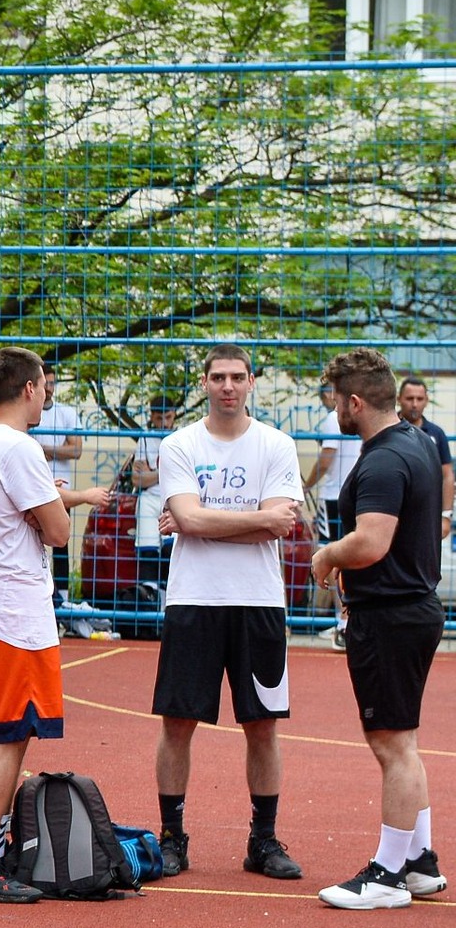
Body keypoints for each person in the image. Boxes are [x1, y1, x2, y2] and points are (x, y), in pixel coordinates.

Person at [0, 347, 102, 903]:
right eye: (46, 388)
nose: (47, 397)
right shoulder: (19, 448)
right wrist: (48, 513)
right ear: (30, 388)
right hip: (16, 603)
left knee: (2, 731)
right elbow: (59, 532)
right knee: (8, 736)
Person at [151, 343, 305, 881]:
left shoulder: (277, 445)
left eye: (238, 377)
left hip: (258, 601)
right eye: (218, 377)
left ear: (252, 382)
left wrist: (198, 521)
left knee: (262, 726)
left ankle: (263, 840)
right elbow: (201, 521)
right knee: (178, 722)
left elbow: (275, 524)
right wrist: (253, 520)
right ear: (205, 382)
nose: (228, 386)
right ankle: (172, 837)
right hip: (194, 599)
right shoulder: (178, 444)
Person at [310, 349, 446, 908]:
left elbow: (371, 542)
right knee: (402, 742)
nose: (334, 410)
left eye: (336, 401)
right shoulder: (417, 441)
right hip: (408, 609)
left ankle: (387, 876)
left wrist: (326, 555)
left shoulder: (385, 459)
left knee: (392, 746)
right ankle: (419, 862)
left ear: (355, 402)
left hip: (391, 614)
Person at [36, 360, 84, 601]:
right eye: (46, 383)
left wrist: (44, 448)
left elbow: (76, 450)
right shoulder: (29, 411)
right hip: (35, 487)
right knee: (33, 540)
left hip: (63, 489)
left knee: (61, 541)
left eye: (53, 383)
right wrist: (60, 447)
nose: (49, 388)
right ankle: (40, 592)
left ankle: (62, 597)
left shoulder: (66, 412)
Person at [126, 397, 179, 588]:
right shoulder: (146, 439)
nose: (164, 423)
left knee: (171, 550)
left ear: (174, 415)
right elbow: (137, 480)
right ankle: (149, 596)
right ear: (152, 417)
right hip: (149, 498)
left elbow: (186, 477)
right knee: (147, 550)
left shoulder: (182, 438)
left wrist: (151, 473)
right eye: (159, 418)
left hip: (174, 499)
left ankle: (167, 598)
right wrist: (165, 473)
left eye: (168, 417)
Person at [396, 374, 454, 545]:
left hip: (427, 517)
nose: (414, 404)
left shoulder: (436, 434)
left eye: (419, 399)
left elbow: (447, 475)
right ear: (399, 399)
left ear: (426, 400)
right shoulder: (386, 429)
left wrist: (446, 516)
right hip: (393, 512)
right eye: (409, 398)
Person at [309, 379, 362, 544]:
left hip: (333, 494)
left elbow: (325, 460)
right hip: (356, 494)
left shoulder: (333, 418)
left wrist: (306, 486)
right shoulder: (359, 416)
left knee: (327, 546)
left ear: (328, 394)